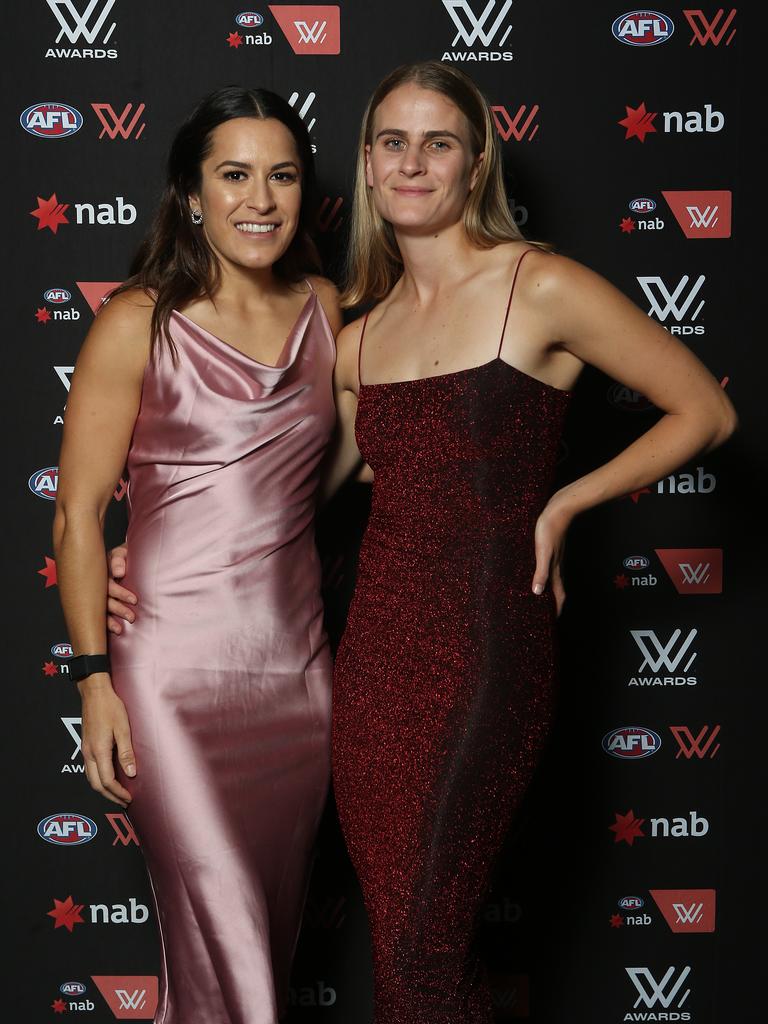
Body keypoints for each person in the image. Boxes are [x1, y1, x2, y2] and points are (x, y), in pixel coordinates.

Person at [325, 62, 737, 1024]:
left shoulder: (539, 285)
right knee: (407, 951)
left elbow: (705, 411)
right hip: (373, 659)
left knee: (421, 959)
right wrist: (160, 548)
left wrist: (562, 506)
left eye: (439, 143)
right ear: (371, 169)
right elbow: (297, 497)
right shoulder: (357, 339)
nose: (414, 163)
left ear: (476, 167)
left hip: (485, 646)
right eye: (394, 143)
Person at [54, 86, 342, 1024]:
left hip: (296, 682)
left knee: (265, 942)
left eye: (283, 175)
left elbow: (340, 465)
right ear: (190, 193)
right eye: (234, 175)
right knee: (230, 952)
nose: (260, 198)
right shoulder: (137, 319)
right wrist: (95, 677)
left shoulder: (332, 312)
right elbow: (77, 513)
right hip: (170, 678)